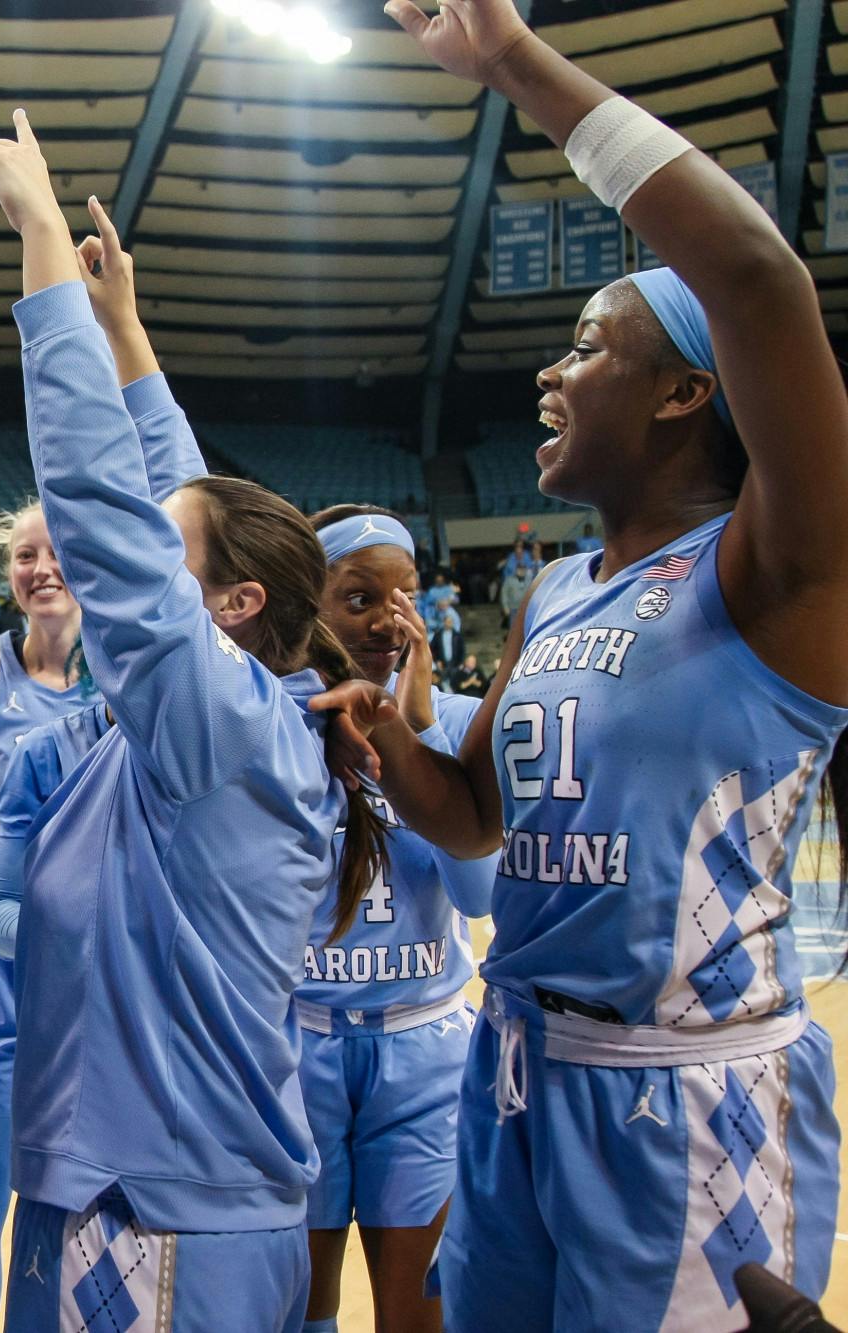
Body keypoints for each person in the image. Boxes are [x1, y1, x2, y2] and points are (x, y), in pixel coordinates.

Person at [313, 2, 848, 1325]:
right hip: (515, 1073)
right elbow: (478, 815)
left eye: (589, 348)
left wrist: (512, 64)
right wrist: (377, 735)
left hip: (688, 1095)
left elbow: (761, 283)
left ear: (684, 393)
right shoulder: (558, 588)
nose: (553, 374)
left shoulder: (780, 568)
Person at [0, 118, 385, 1332]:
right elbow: (179, 508)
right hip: (132, 1191)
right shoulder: (231, 711)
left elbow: (106, 510)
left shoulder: (221, 723)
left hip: (152, 1214)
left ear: (228, 608)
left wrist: (40, 244)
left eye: (164, 551)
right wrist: (124, 334)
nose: (135, 552)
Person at [295, 504, 499, 1333]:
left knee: (418, 1319)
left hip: (424, 1052)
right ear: (310, 605)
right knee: (298, 1312)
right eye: (359, 597)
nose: (389, 618)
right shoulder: (279, 721)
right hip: (296, 1043)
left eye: (406, 595)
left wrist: (416, 735)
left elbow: (482, 895)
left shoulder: (451, 718)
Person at [0, 495, 91, 1333]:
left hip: (96, 989)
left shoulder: (127, 674)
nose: (40, 569)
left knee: (74, 1205)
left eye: (56, 552)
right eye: (24, 555)